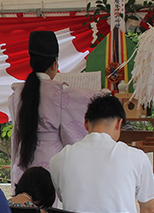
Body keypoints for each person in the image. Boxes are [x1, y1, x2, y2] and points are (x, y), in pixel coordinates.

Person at [8, 30, 100, 186]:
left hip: (24, 159)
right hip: (51, 160)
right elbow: (94, 100)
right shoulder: (61, 93)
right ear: (54, 65)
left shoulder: (16, 94)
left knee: (27, 205)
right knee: (50, 206)